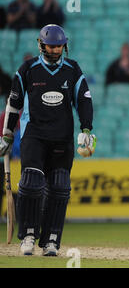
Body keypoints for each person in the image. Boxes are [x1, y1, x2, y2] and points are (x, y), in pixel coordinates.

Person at [0, 24, 96, 257]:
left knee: (60, 187)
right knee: (31, 183)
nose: (54, 50)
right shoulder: (28, 69)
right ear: (41, 45)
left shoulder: (73, 69)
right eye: (50, 46)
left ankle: (51, 239)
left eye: (58, 46)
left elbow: (83, 100)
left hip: (62, 138)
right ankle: (29, 235)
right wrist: (6, 134)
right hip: (34, 135)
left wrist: (86, 129)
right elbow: (13, 104)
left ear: (65, 46)